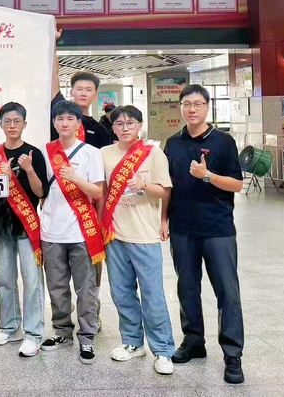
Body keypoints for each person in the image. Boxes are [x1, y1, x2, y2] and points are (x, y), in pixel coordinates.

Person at [163, 84, 245, 384]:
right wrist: (163, 219)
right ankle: (193, 340)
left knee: (227, 292)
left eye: (198, 104)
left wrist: (207, 175)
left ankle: (232, 354)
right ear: (181, 108)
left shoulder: (223, 141)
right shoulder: (173, 143)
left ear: (208, 107)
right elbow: (167, 185)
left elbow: (237, 184)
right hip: (182, 227)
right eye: (187, 104)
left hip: (217, 228)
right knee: (187, 287)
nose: (192, 109)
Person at [96, 105, 175, 375]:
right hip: (115, 234)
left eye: (130, 123)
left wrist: (144, 187)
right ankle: (132, 342)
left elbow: (165, 191)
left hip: (144, 234)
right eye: (119, 124)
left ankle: (163, 349)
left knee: (153, 294)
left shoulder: (153, 153)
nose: (125, 128)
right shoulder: (104, 153)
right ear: (113, 128)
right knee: (121, 293)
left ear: (140, 126)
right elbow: (102, 192)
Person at [51, 29, 112, 324]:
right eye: (78, 89)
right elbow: (52, 82)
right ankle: (63, 320)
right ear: (71, 92)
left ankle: (92, 307)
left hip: (89, 207)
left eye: (89, 89)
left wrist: (100, 215)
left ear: (95, 94)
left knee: (93, 262)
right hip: (59, 211)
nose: (83, 93)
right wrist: (52, 44)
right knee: (60, 272)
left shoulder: (101, 131)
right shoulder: (60, 121)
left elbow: (103, 180)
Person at [39, 100, 105, 365]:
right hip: (51, 230)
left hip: (81, 231)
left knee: (85, 287)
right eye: (60, 118)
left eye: (70, 118)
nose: (64, 123)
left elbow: (97, 191)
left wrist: (75, 178)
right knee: (56, 286)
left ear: (78, 123)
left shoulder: (91, 153)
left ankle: (87, 335)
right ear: (54, 122)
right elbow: (40, 191)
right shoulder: (45, 152)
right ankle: (62, 331)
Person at [0, 102, 49, 358]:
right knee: (4, 278)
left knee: (32, 280)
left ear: (25, 124)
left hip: (27, 226)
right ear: (1, 124)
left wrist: (29, 169)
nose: (12, 126)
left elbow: (40, 192)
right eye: (7, 121)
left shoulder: (34, 153)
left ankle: (33, 333)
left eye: (17, 121)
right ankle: (9, 327)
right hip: (2, 225)